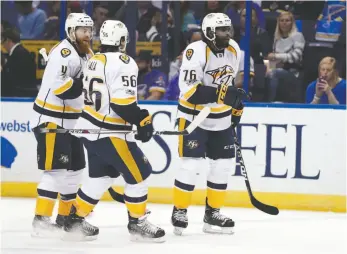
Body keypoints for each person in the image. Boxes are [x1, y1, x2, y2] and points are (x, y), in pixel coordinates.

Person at [63, 20, 165, 243]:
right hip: (110, 132)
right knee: (140, 173)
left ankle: (75, 221)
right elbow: (121, 104)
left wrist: (139, 121)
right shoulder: (124, 62)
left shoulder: (94, 60)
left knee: (101, 177)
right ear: (120, 40)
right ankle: (137, 223)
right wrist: (143, 120)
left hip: (89, 130)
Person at [171, 13, 248, 235]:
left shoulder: (234, 48)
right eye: (222, 30)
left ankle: (212, 213)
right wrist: (225, 93)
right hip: (195, 117)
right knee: (191, 165)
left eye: (228, 29)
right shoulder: (195, 51)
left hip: (221, 118)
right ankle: (180, 210)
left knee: (223, 166)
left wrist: (234, 104)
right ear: (210, 33)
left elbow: (227, 83)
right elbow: (191, 92)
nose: (228, 34)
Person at [30, 13, 94, 237]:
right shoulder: (64, 53)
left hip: (71, 123)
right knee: (56, 171)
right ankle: (41, 221)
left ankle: (65, 219)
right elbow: (63, 89)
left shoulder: (87, 55)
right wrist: (85, 82)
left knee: (75, 171)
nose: (87, 34)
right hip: (51, 121)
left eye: (89, 30)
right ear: (71, 31)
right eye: (82, 30)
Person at [1, 27, 37, 97]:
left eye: (2, 41)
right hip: (20, 94)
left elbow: (14, 78)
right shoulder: (20, 52)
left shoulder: (19, 54)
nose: (2, 45)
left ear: (8, 40)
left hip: (20, 95)